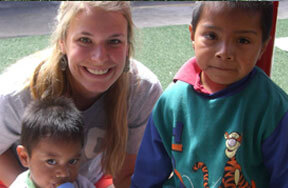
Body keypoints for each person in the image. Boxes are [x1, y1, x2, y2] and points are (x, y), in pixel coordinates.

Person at [0, 1, 162, 188]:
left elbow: (127, 175)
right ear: (62, 42)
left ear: (127, 47)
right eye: (85, 40)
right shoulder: (17, 94)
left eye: (114, 41)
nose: (99, 57)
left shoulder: (142, 90)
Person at [131, 2, 288, 188]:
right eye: (211, 36)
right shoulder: (172, 101)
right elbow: (148, 173)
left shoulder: (272, 107)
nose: (225, 53)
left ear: (263, 46)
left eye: (243, 40)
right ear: (192, 35)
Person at [10, 97, 95, 188]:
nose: (64, 173)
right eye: (51, 161)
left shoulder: (81, 184)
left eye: (72, 161)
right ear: (25, 157)